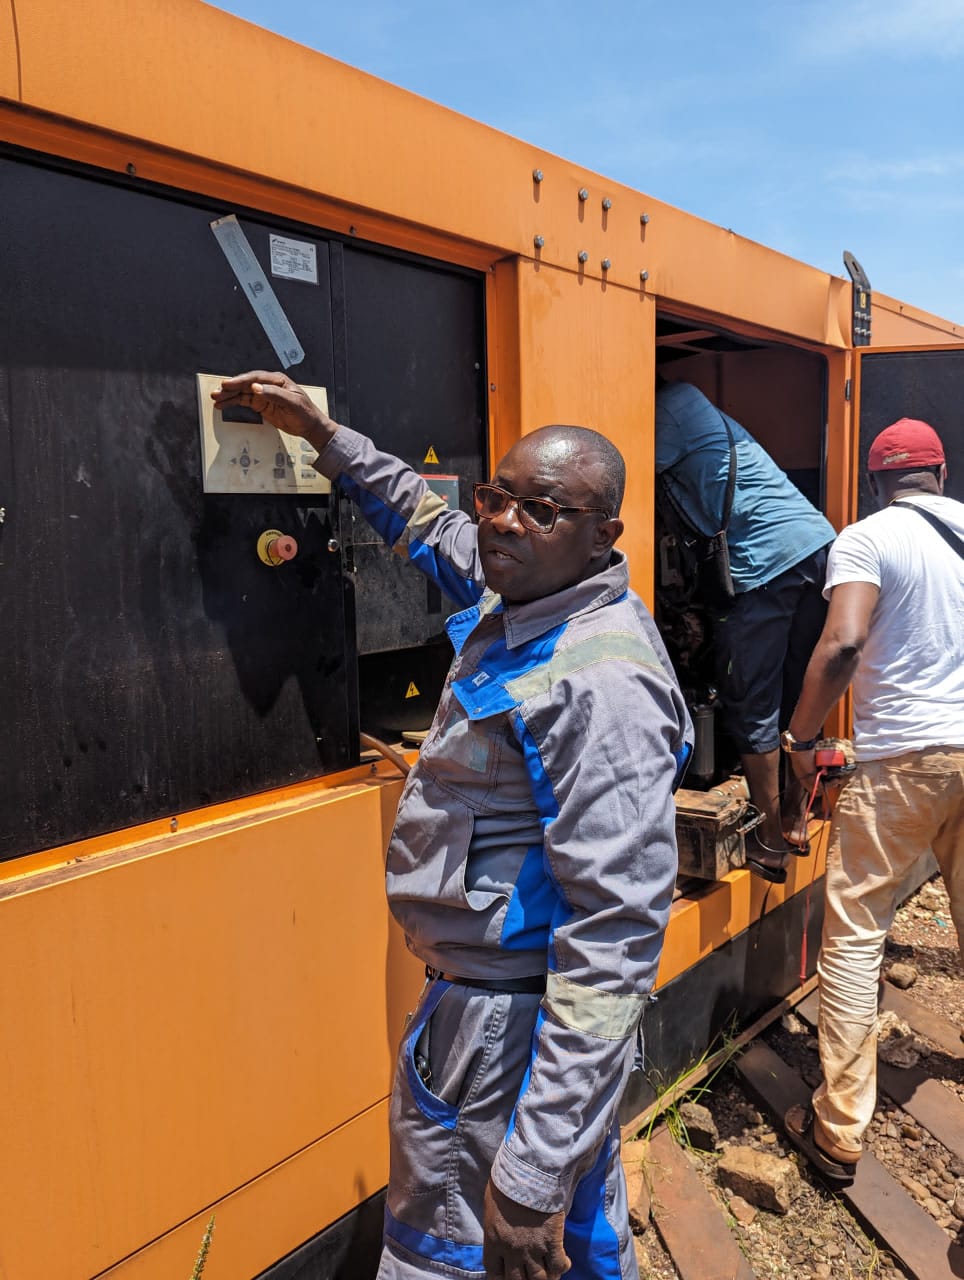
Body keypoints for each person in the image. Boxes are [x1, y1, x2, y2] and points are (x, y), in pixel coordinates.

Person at [213, 372, 693, 1280]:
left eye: (543, 509)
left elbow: (617, 936)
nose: (507, 522)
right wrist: (322, 434)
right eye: (497, 497)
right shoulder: (527, 592)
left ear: (605, 537)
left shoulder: (600, 682)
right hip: (482, 1020)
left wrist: (530, 1173)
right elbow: (428, 527)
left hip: (512, 1042)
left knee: (462, 1256)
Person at [781, 417, 964, 1183]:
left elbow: (845, 643)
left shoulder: (866, 537)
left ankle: (839, 1129)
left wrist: (798, 739)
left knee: (856, 935)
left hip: (900, 764)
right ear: (941, 473)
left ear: (873, 478)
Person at [655, 376, 836, 882]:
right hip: (817, 549)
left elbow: (610, 472)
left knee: (750, 698)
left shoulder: (665, 409)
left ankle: (769, 839)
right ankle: (797, 817)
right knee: (800, 694)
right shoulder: (700, 408)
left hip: (764, 566)